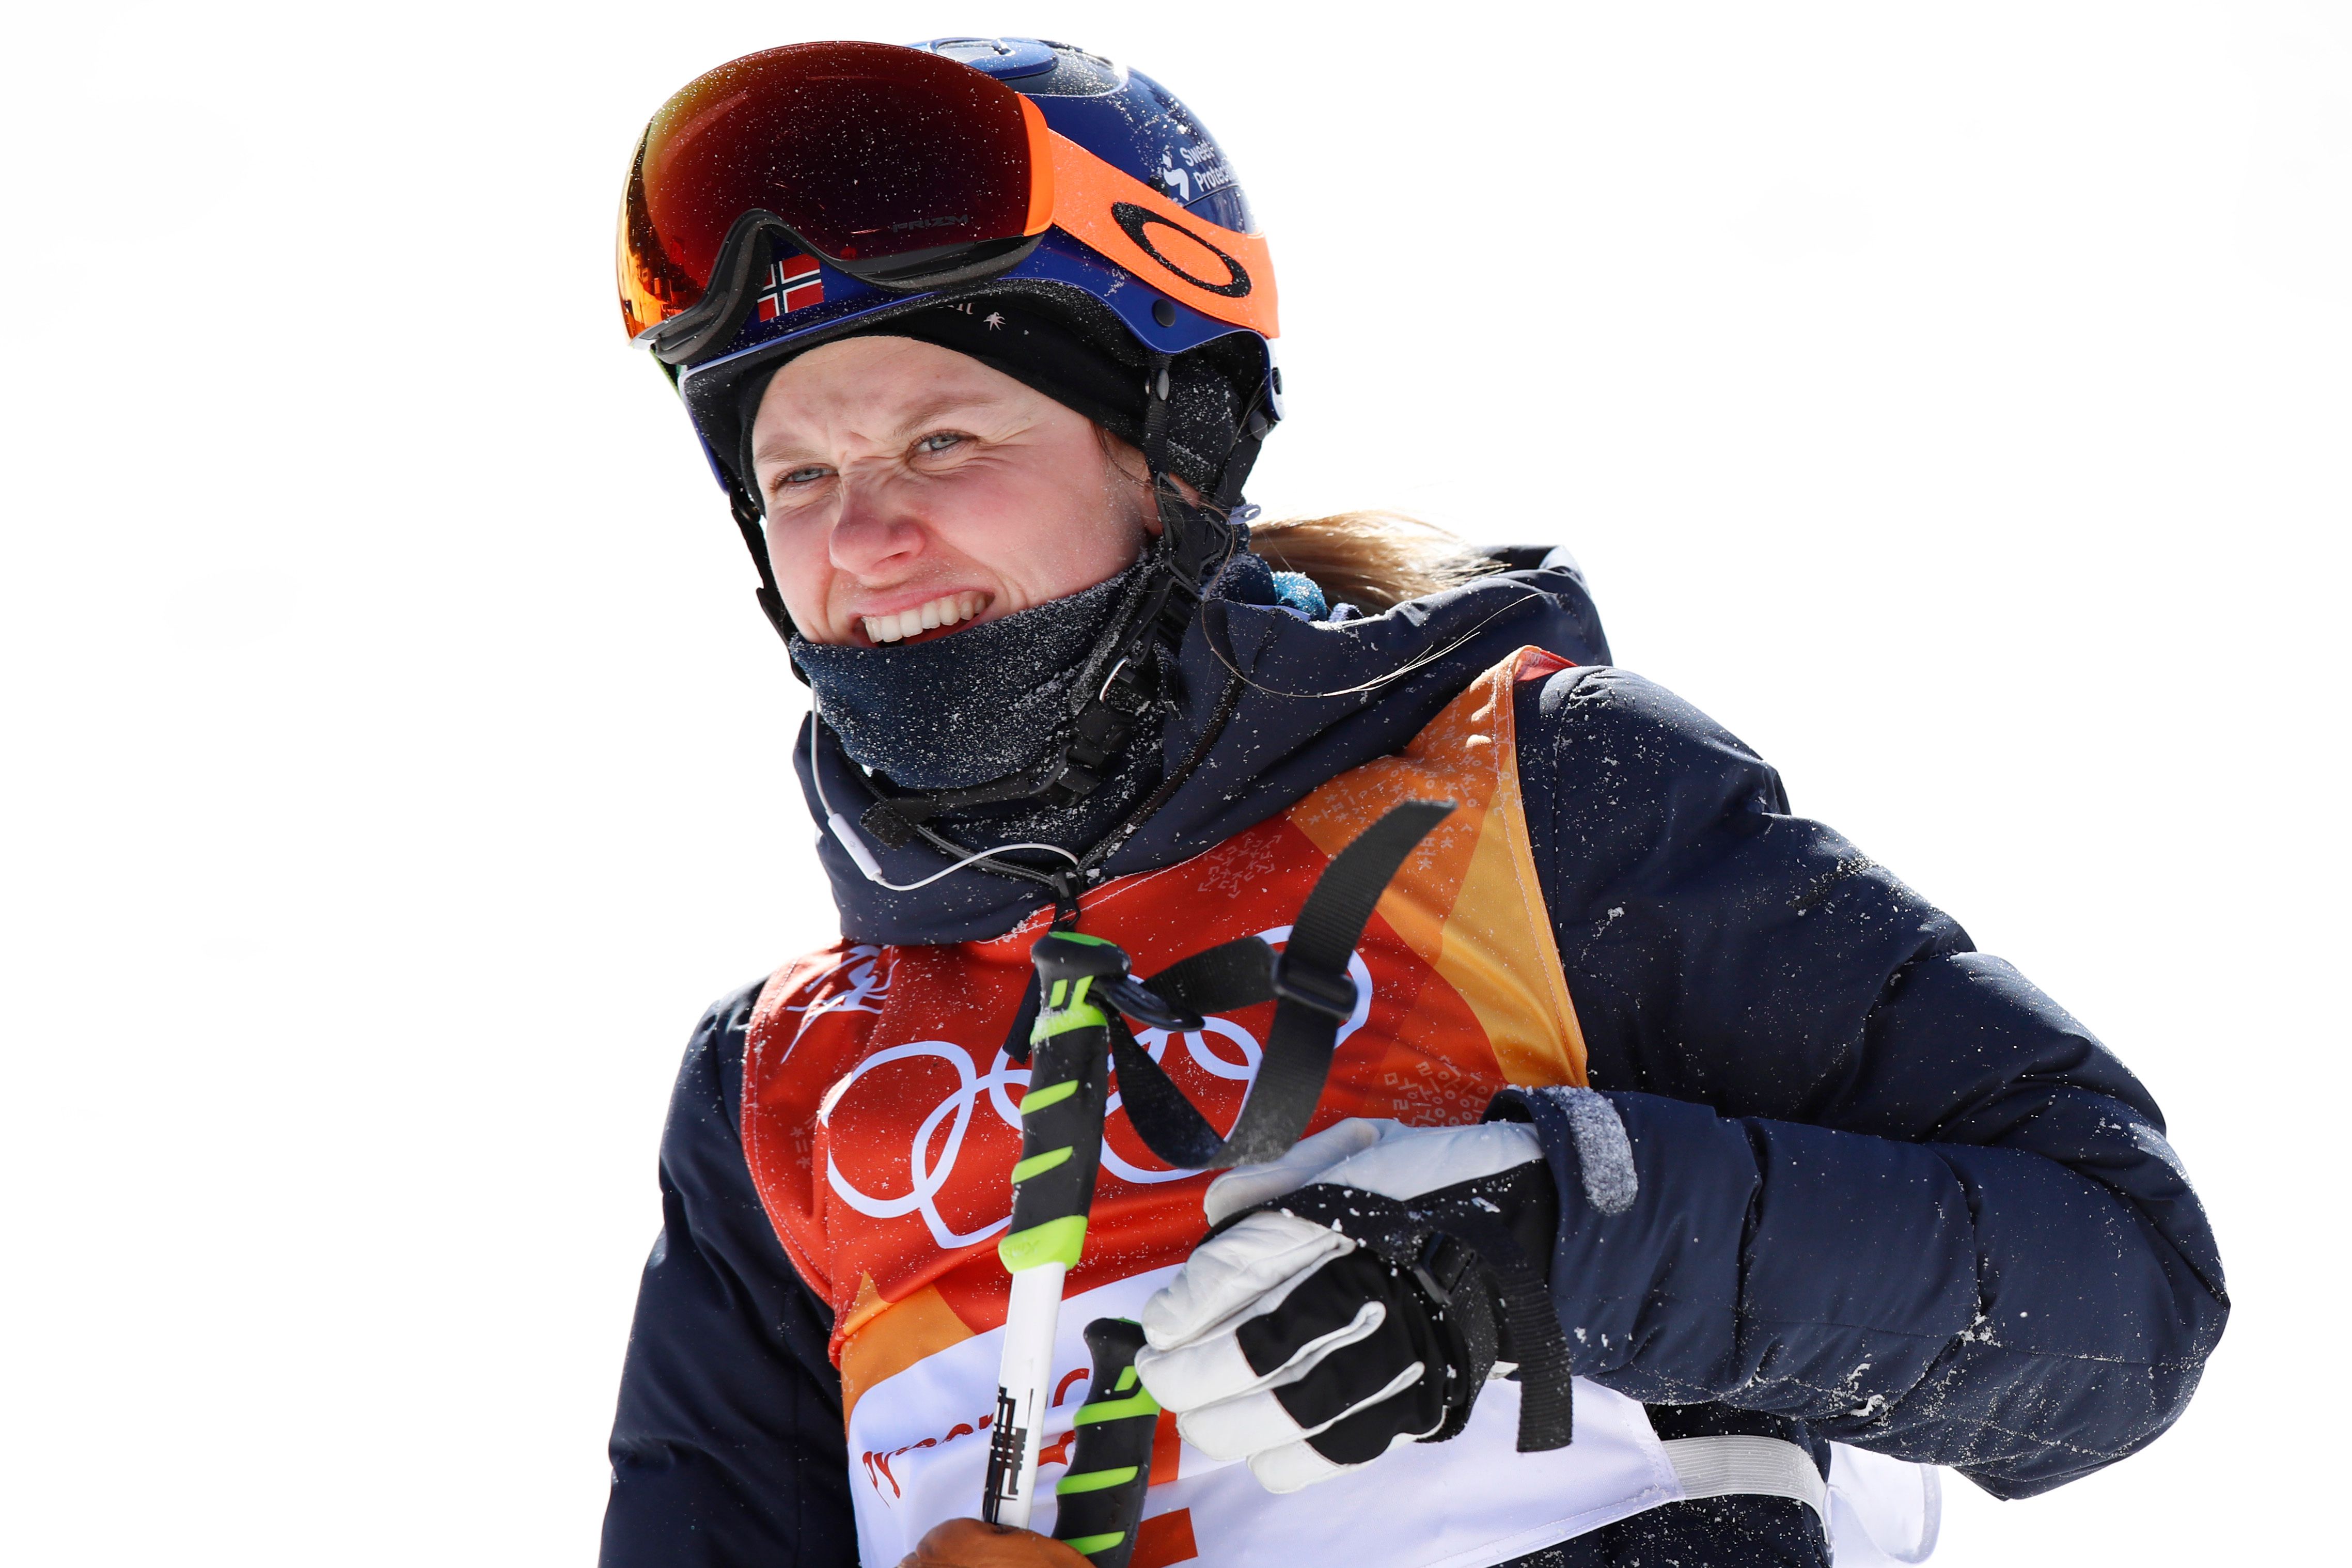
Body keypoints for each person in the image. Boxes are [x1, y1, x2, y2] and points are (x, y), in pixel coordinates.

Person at [600, 37, 2226, 1568]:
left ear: (1173, 449)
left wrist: (1533, 1247)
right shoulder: (780, 1082)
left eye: (944, 439)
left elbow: (2121, 1294)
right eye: (797, 476)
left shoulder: (1535, 797)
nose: (862, 536)